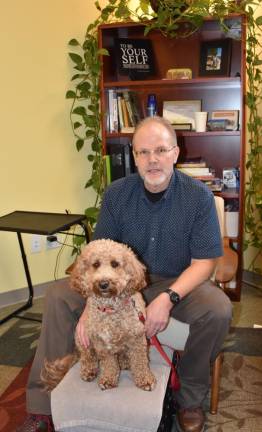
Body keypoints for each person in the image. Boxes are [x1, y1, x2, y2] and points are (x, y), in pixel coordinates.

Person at [18, 116, 232, 432]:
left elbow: (205, 262)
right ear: (134, 157)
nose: (153, 160)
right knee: (58, 296)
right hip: (123, 281)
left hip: (176, 280)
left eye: (161, 150)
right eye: (143, 152)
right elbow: (99, 254)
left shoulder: (198, 196)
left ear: (175, 152)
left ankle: (190, 400)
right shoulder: (117, 194)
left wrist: (168, 298)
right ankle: (41, 404)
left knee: (218, 310)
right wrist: (90, 304)